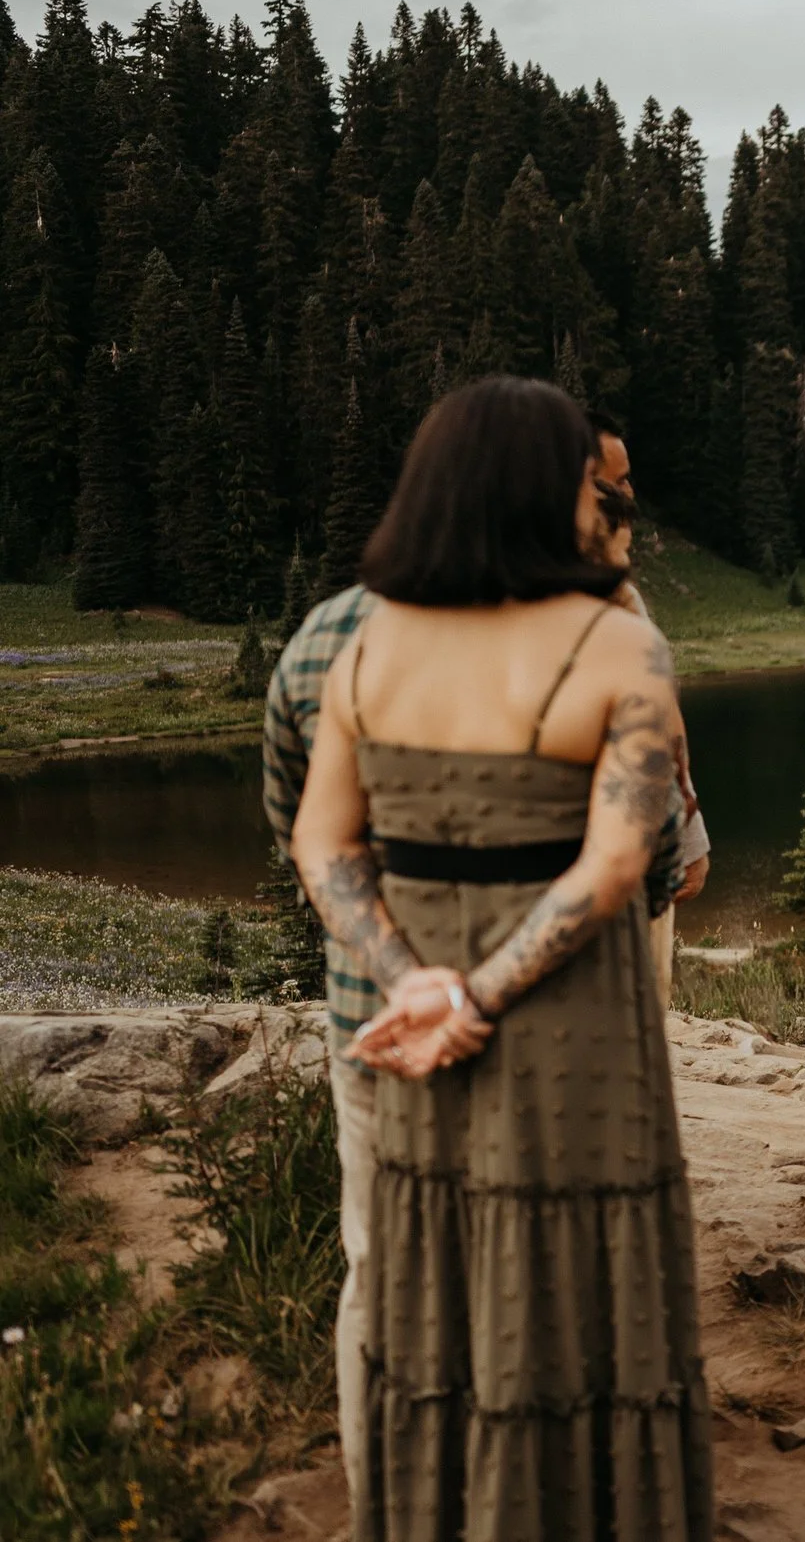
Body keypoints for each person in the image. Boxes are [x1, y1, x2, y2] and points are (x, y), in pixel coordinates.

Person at [288, 377, 711, 1541]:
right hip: (570, 1025)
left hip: (418, 1025)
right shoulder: (617, 643)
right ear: (538, 489)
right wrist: (483, 990)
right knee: (589, 1277)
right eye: (587, 477)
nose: (602, 500)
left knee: (434, 1280)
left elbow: (323, 844)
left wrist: (413, 981)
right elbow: (618, 865)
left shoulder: (369, 645)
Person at [261, 581, 379, 1517]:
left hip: (366, 1016)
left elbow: (297, 830)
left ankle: (382, 1502)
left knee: (375, 1266)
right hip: (528, 1033)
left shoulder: (317, 640)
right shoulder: (567, 626)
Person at [587, 414, 709, 1003]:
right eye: (618, 479)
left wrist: (690, 836)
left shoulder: (626, 600)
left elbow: (667, 725)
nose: (628, 493)